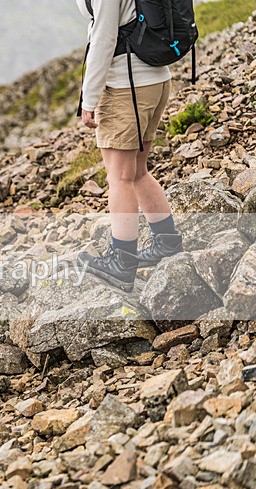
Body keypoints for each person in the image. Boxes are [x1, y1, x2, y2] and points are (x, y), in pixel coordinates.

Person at [76, 0, 184, 292]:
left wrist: (89, 97)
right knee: (136, 171)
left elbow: (104, 38)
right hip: (154, 80)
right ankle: (167, 241)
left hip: (126, 87)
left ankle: (122, 260)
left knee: (119, 177)